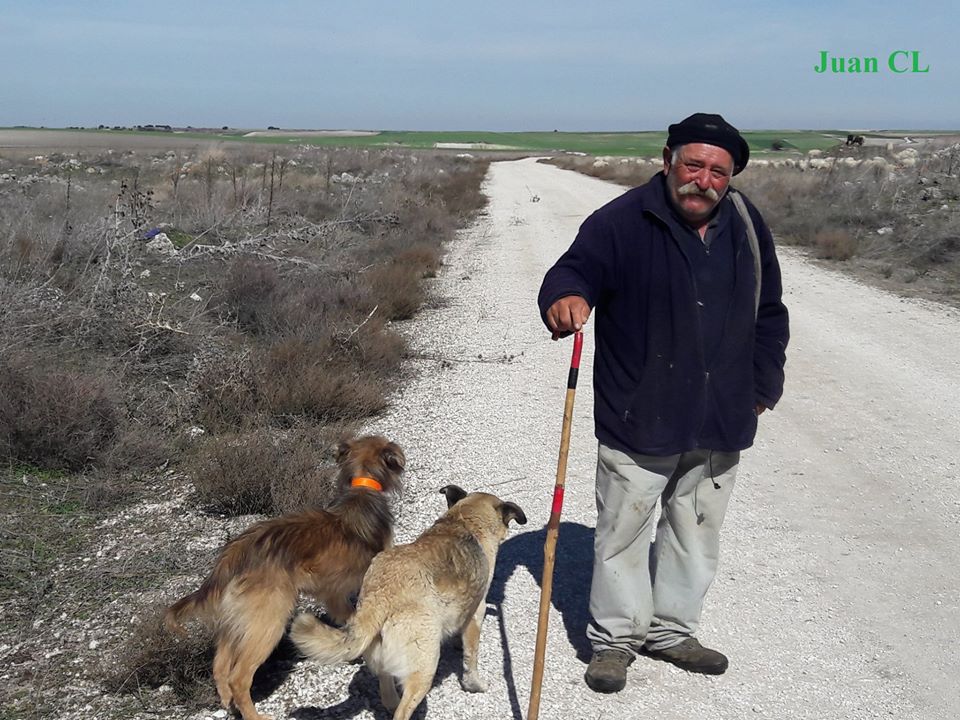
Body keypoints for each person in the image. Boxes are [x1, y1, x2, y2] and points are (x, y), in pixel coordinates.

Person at [538, 113, 789, 693]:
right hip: (639, 409)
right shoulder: (622, 221)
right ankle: (615, 641)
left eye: (717, 172)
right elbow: (572, 272)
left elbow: (770, 311)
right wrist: (566, 298)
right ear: (668, 159)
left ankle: (673, 631)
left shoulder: (748, 225)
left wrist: (761, 387)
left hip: (722, 410)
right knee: (623, 529)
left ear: (731, 178)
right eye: (693, 164)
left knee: (694, 527)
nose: (702, 180)